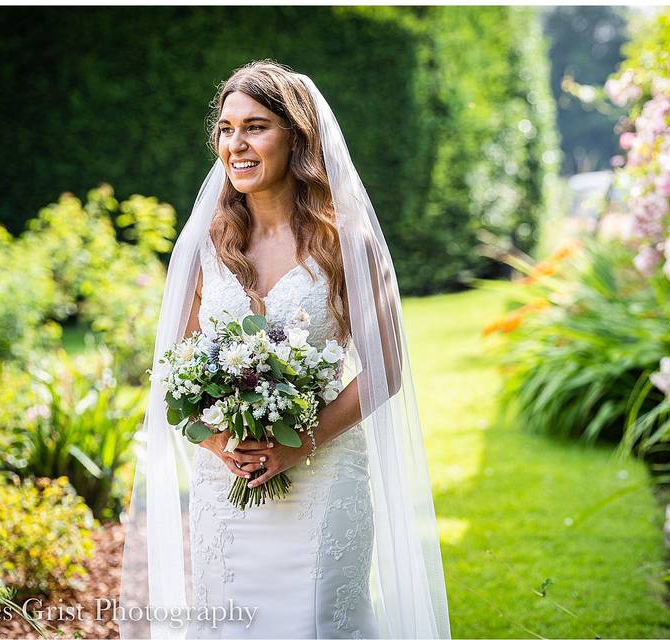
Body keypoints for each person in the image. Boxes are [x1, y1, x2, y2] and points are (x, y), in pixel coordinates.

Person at [118, 60, 451, 640]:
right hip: (228, 487)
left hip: (325, 481)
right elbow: (172, 370)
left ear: (296, 135)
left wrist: (300, 447)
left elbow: (386, 369)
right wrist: (224, 445)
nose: (235, 144)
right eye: (225, 128)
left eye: (256, 126)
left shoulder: (346, 241)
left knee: (320, 621)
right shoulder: (206, 244)